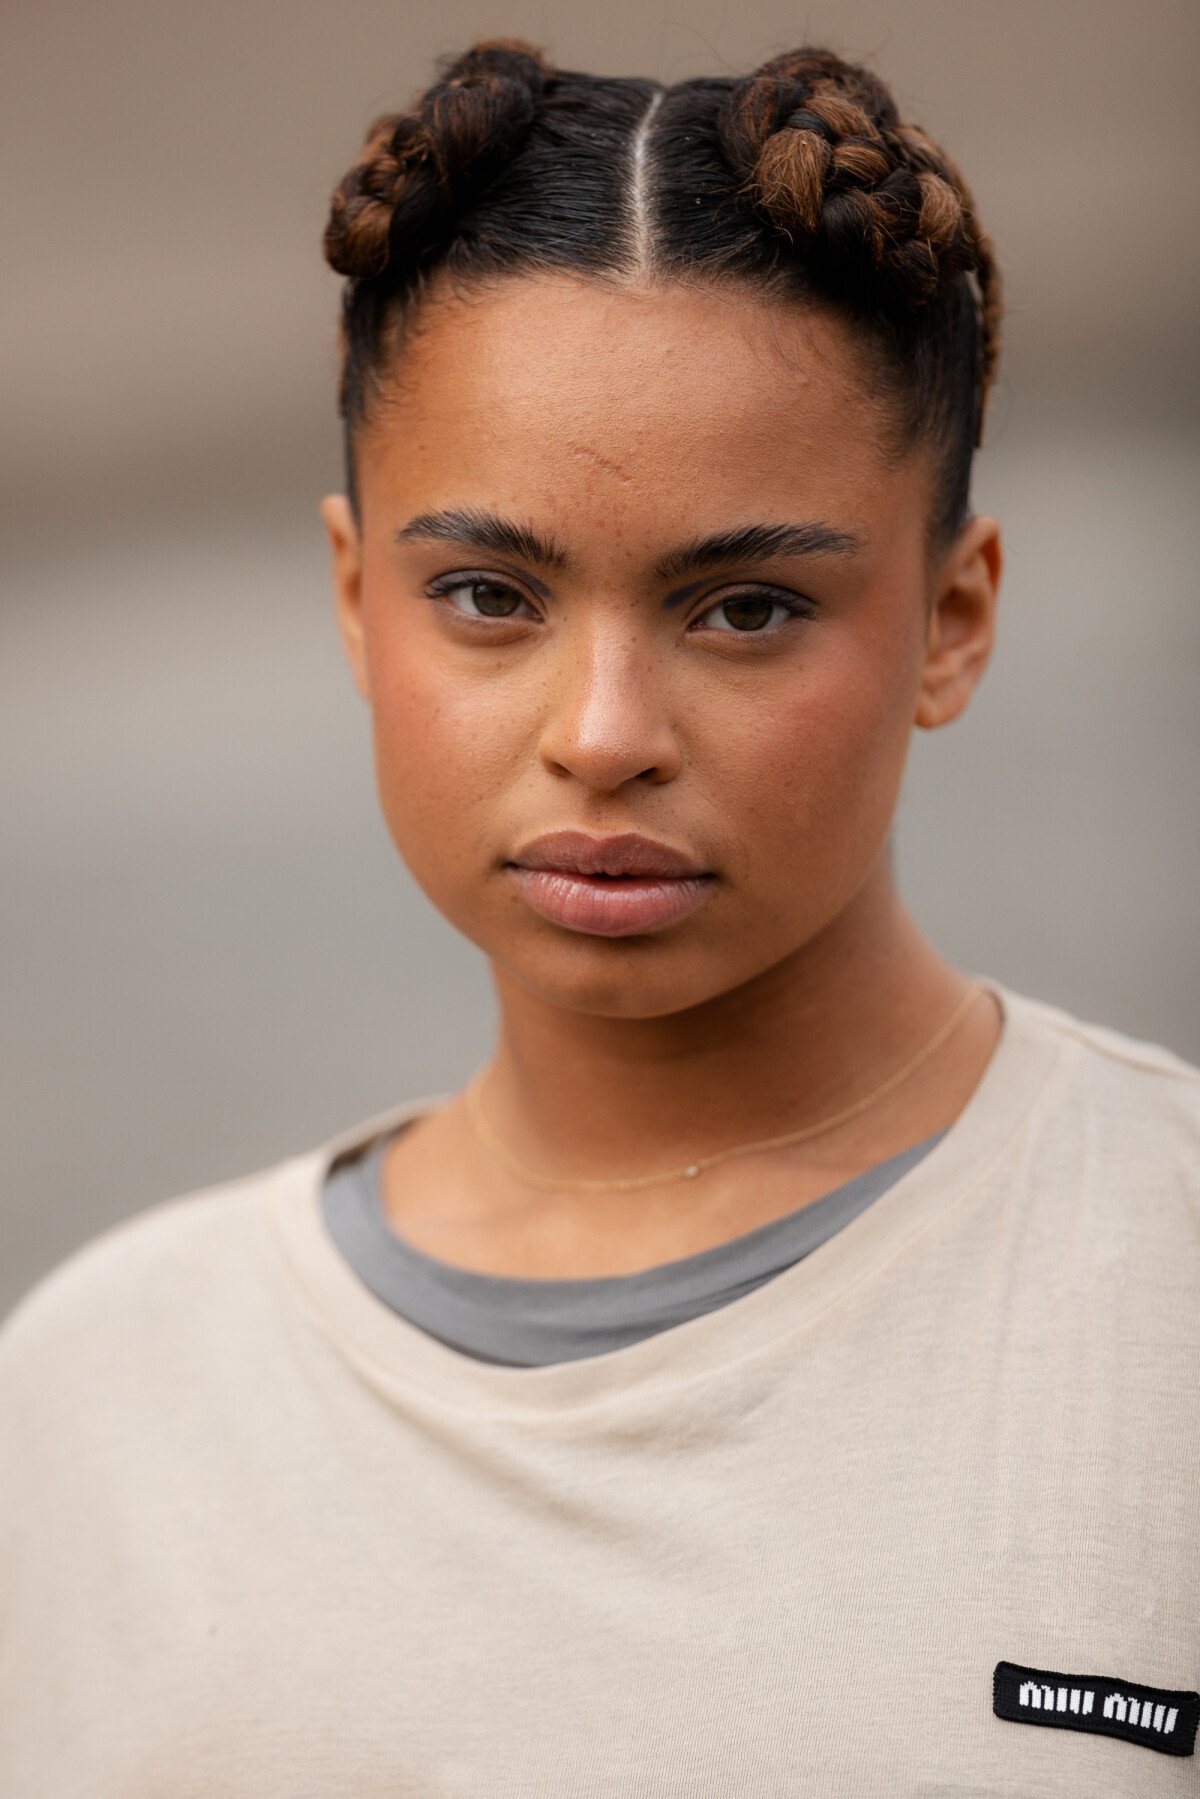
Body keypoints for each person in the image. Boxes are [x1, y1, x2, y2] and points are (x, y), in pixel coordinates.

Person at [1, 35, 1196, 1796]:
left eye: (746, 610)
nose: (606, 734)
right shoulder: (102, 1398)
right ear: (353, 599)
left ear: (952, 619)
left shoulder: (1158, 1299)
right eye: (488, 594)